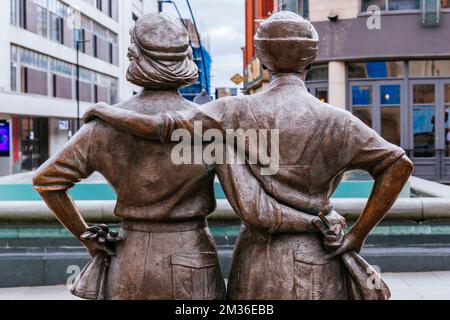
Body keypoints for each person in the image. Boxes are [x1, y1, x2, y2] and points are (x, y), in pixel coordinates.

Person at [83, 11, 414, 300]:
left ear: (263, 58)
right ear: (310, 59)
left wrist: (104, 112)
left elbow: (160, 126)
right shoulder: (338, 122)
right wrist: (358, 234)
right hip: (319, 257)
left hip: (257, 260)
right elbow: (398, 164)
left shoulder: (235, 110)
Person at [32, 13, 227, 300]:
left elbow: (46, 181)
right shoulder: (208, 124)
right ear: (186, 61)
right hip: (193, 250)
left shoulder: (101, 127)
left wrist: (88, 237)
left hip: (130, 256)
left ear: (133, 56)